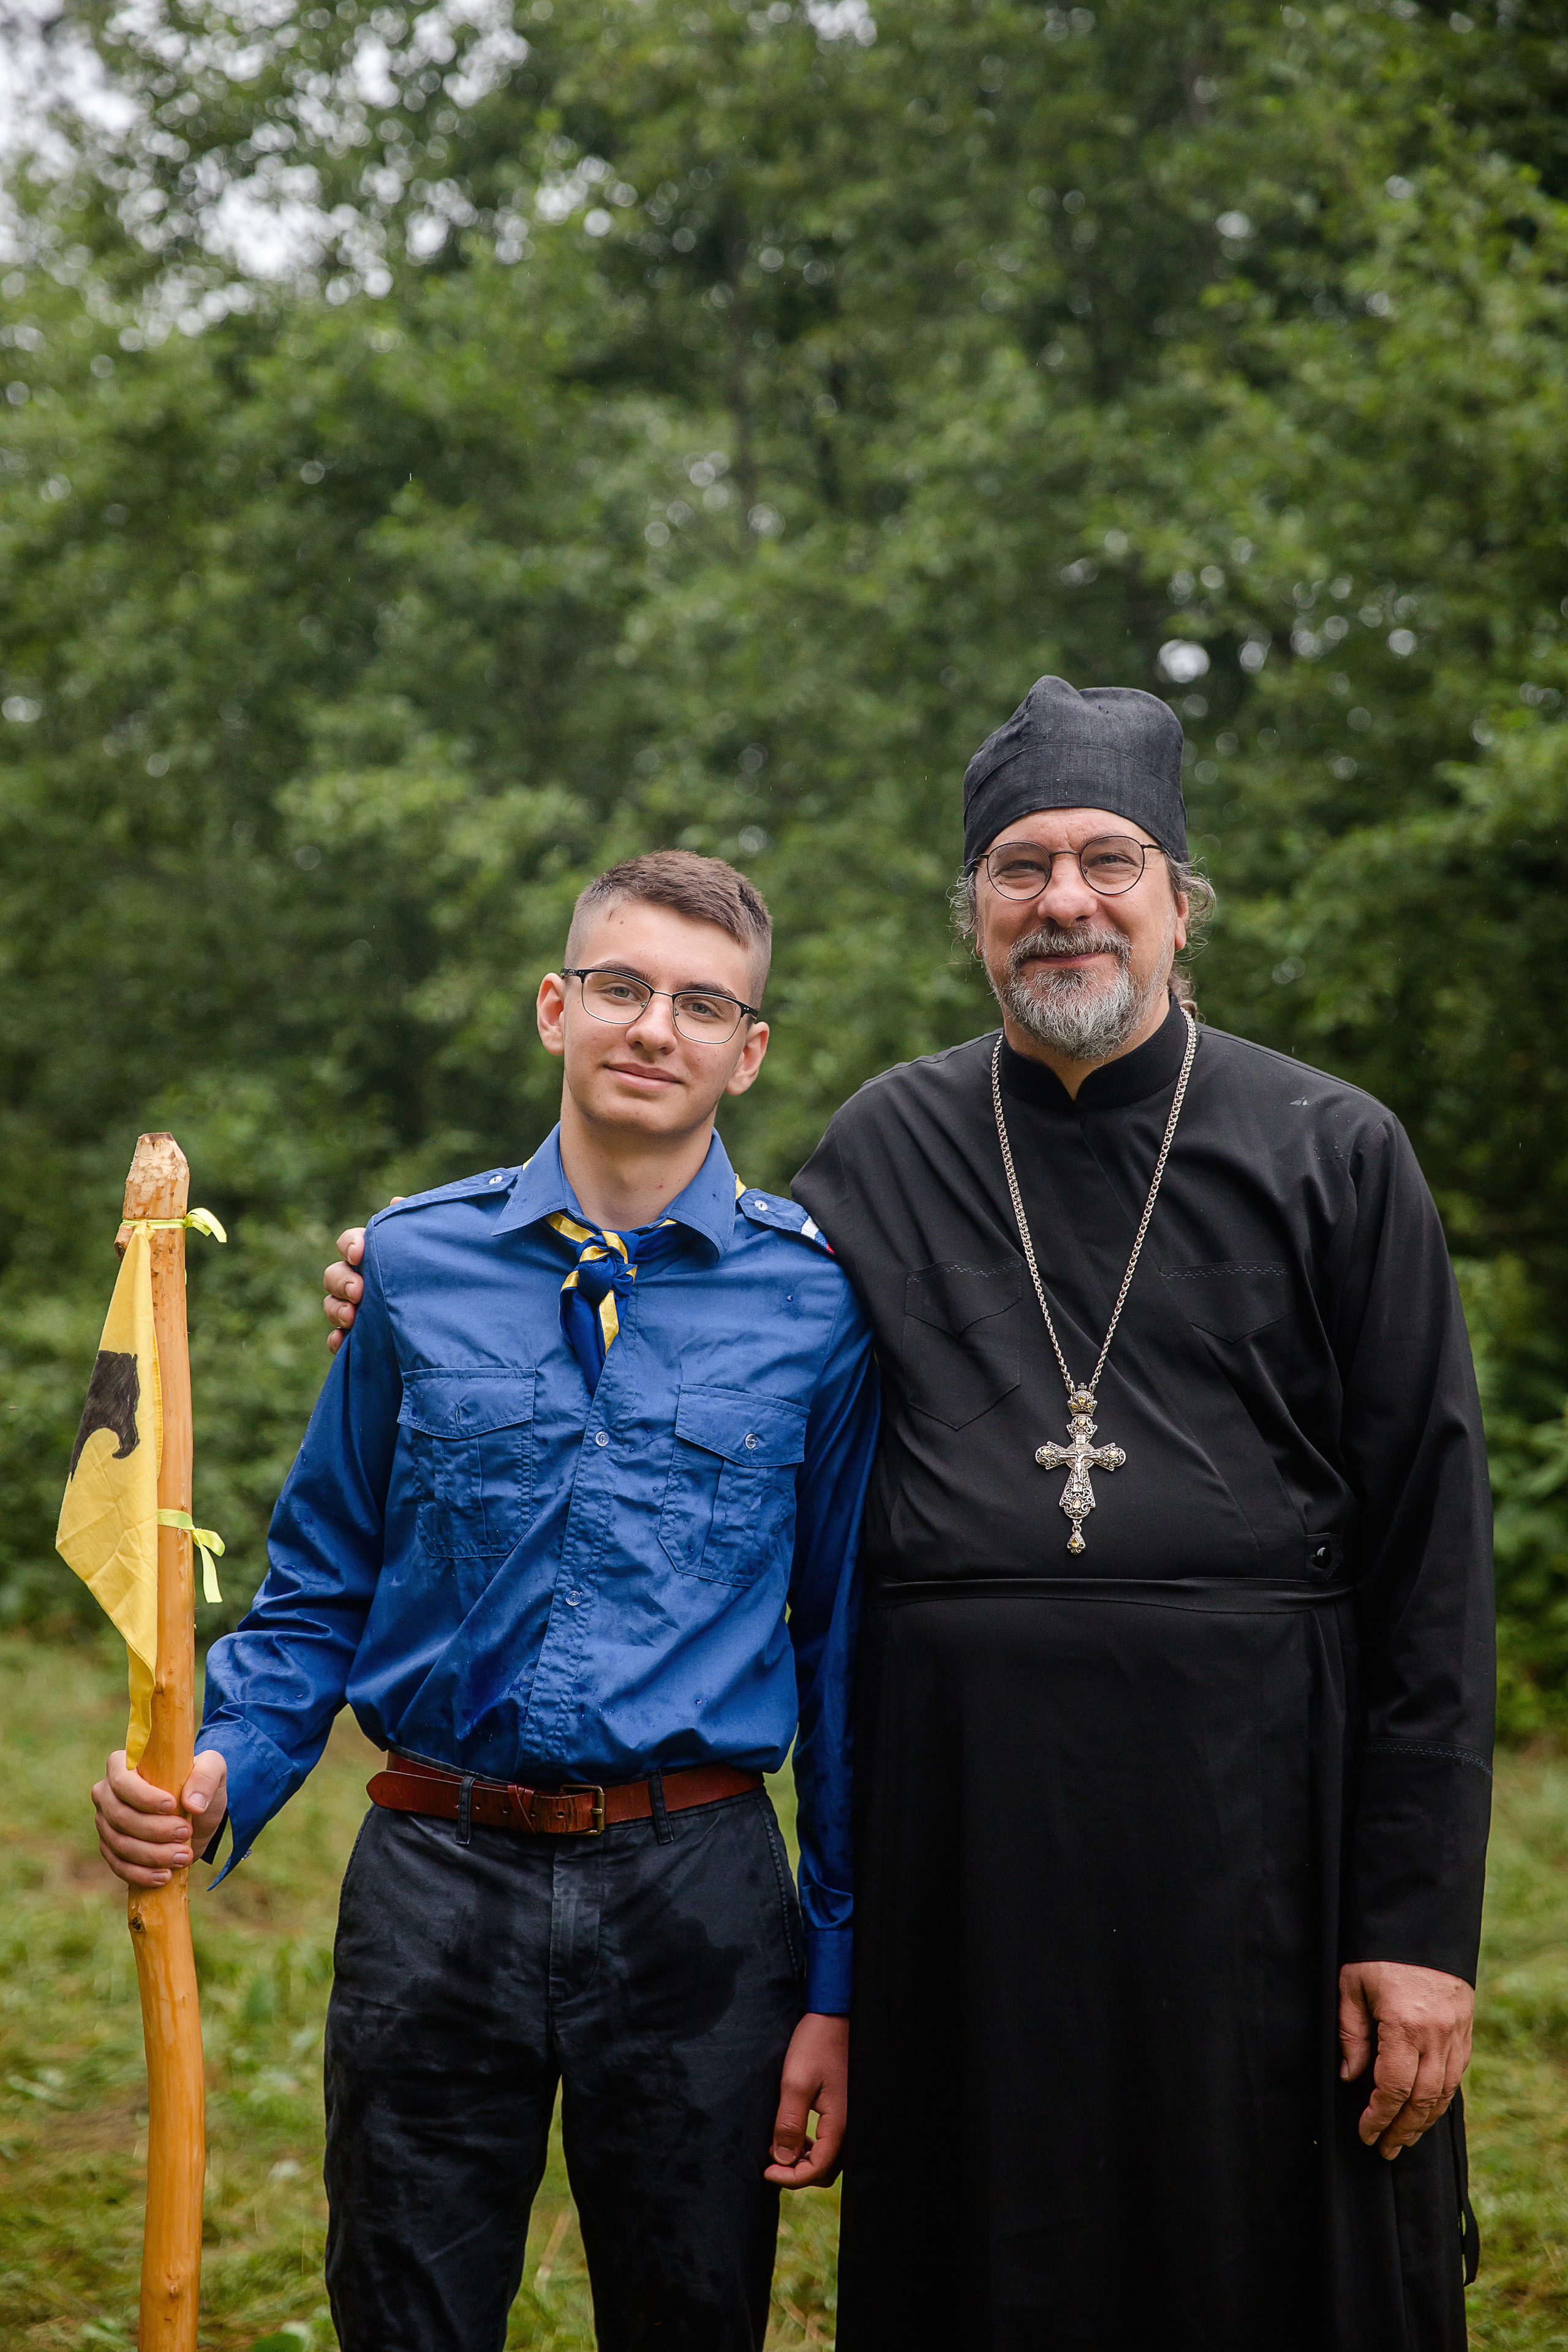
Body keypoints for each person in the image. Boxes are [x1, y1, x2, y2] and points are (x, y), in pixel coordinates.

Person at [322, 682, 1495, 2349]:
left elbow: (1433, 1564)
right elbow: (705, 1301)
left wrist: (1416, 1927)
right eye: (1021, 868)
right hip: (969, 1843)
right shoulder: (888, 1143)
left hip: (1257, 1838)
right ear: (975, 915)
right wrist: (422, 1290)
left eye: (1108, 861)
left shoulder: (1334, 1152)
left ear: (1178, 900)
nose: (1064, 900)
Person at [92, 850, 878, 2352]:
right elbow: (318, 1587)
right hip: (434, 1877)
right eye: (620, 986)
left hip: (700, 1892)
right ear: (553, 1007)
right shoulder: (411, 1263)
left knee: (693, 2313)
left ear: (748, 1052)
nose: (654, 1027)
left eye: (701, 1004)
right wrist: (217, 1770)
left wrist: (836, 1978)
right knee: (403, 2309)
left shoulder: (817, 1300)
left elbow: (843, 1654)